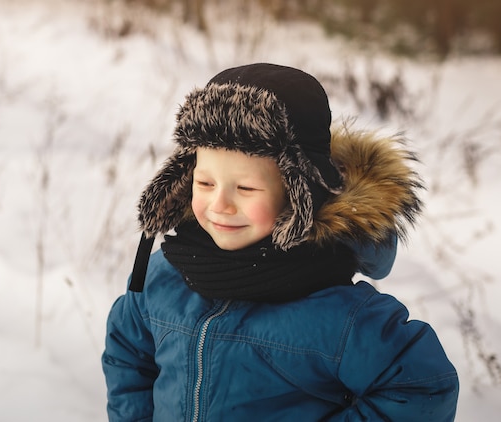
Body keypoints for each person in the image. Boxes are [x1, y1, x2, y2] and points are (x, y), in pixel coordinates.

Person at [102, 63, 459, 421]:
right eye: (205, 183)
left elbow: (422, 385)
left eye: (245, 188)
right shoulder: (165, 276)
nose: (219, 204)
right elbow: (128, 349)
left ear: (297, 191)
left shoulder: (337, 313)